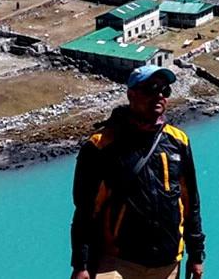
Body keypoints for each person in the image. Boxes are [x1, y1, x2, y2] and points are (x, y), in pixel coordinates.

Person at [70, 65, 205, 279]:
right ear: (131, 94)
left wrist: (196, 255)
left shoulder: (178, 141)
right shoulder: (100, 146)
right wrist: (81, 264)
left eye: (165, 90)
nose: (159, 95)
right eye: (151, 88)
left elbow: (191, 203)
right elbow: (85, 211)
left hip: (167, 263)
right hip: (116, 262)